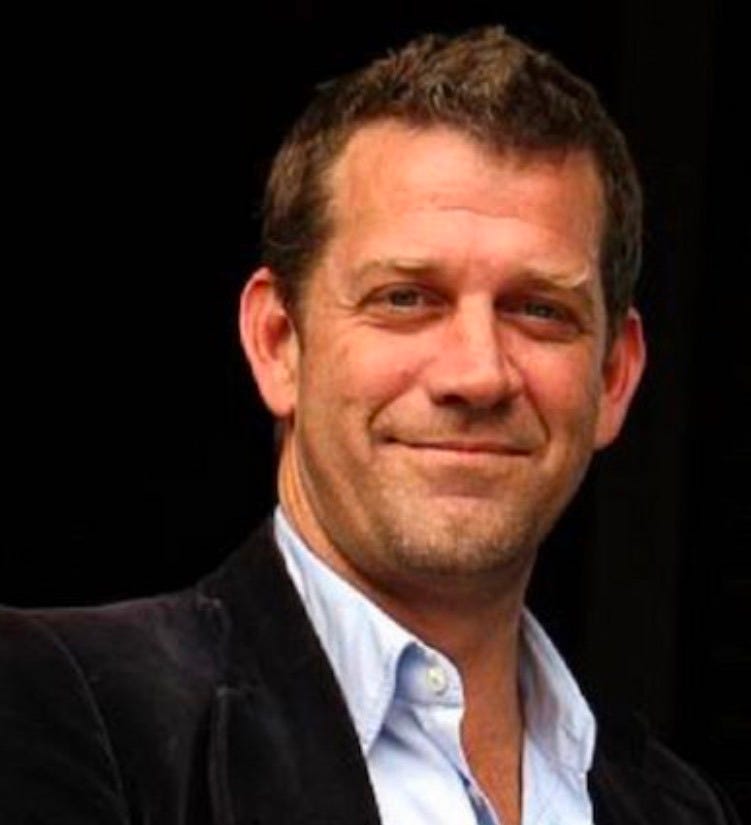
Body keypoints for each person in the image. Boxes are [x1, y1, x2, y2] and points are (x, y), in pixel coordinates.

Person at [0, 26, 739, 825]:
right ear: (278, 343)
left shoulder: (677, 808)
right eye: (405, 298)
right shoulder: (60, 706)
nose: (476, 373)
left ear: (613, 375)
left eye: (537, 310)